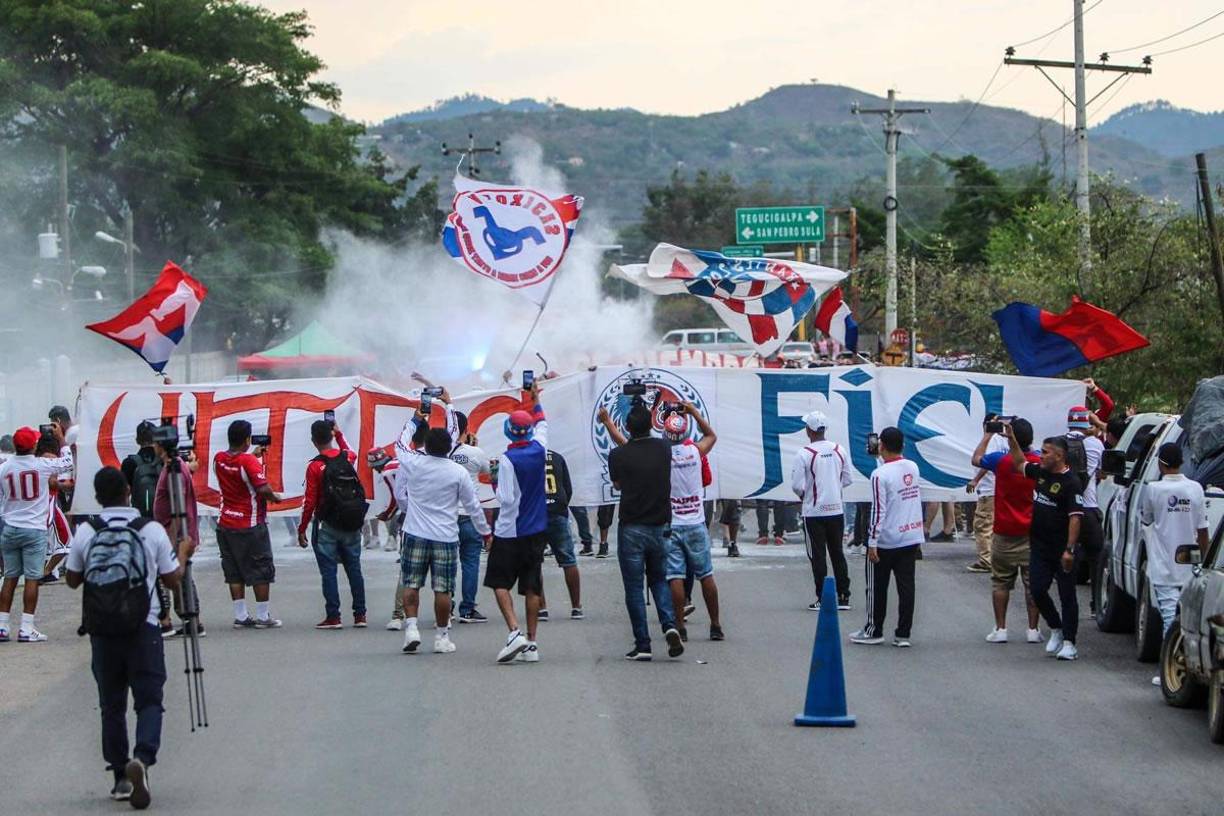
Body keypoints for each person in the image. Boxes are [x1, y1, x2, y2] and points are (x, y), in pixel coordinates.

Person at [65, 466, 192, 809]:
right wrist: (182, 552)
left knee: (111, 704)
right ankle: (143, 758)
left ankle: (120, 776)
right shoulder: (149, 530)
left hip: (102, 631)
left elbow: (73, 579)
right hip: (143, 626)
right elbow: (170, 579)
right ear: (128, 492)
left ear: (98, 496)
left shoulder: (87, 531)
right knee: (149, 700)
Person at [394, 408, 491, 656]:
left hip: (415, 532)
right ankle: (441, 636)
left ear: (425, 445)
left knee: (411, 583)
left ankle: (412, 630)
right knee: (443, 589)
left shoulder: (413, 462)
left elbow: (400, 444)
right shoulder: (458, 472)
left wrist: (415, 420)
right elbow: (473, 506)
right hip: (445, 536)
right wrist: (485, 532)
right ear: (449, 447)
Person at [599, 404, 684, 661]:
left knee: (634, 588)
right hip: (660, 525)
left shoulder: (618, 455)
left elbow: (618, 482)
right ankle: (669, 624)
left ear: (628, 427)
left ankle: (643, 643)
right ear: (651, 425)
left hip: (632, 527)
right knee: (659, 580)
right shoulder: (664, 449)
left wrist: (606, 423)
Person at [485, 390, 551, 663]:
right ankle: (532, 644)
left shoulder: (506, 460)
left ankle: (515, 632)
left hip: (510, 531)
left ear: (509, 432)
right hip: (537, 529)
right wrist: (535, 398)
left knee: (499, 582)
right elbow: (543, 423)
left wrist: (493, 479)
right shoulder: (540, 447)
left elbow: (506, 498)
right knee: (533, 587)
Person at [1140, 442, 1210, 685]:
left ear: (1160, 463)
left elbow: (1147, 518)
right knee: (1190, 619)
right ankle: (1185, 670)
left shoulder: (1153, 489)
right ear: (1182, 462)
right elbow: (1203, 530)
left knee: (1170, 619)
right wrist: (1205, 559)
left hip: (1164, 564)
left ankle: (1171, 671)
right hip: (1191, 565)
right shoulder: (1196, 489)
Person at [1012, 435, 1084, 661]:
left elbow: (1075, 518)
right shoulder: (1041, 473)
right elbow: (1018, 463)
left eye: (1045, 452)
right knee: (1037, 589)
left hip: (1062, 549)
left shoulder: (1071, 482)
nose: (1041, 456)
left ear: (1060, 456)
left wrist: (1069, 550)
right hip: (1040, 546)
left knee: (1067, 595)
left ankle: (1070, 642)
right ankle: (1056, 627)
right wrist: (1011, 437)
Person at [850, 426, 923, 647]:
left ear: (881, 446)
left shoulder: (879, 474)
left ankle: (874, 629)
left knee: (876, 586)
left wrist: (872, 541)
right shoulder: (912, 466)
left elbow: (878, 510)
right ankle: (903, 633)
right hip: (910, 535)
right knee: (906, 586)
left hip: (887, 539)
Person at [0, 425, 73, 642]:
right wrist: (63, 441)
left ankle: (2, 626)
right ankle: (26, 627)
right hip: (34, 529)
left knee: (10, 577)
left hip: (10, 527)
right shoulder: (41, 465)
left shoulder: (4, 468)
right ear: (33, 445)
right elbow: (68, 462)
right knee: (32, 577)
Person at [972, 419, 1043, 644]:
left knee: (1001, 582)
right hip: (1032, 532)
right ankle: (1033, 629)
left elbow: (976, 459)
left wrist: (987, 435)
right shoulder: (1039, 462)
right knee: (1033, 584)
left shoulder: (1000, 461)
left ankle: (1001, 628)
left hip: (1004, 530)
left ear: (1007, 436)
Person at [212, 420, 283, 629]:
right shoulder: (248, 462)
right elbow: (262, 488)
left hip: (225, 522)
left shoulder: (219, 459)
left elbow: (237, 467)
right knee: (261, 567)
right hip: (250, 524)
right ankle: (263, 616)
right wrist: (276, 497)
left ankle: (241, 615)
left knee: (233, 569)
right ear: (247, 439)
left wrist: (252, 456)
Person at [298, 420, 367, 630]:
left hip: (326, 523)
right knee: (354, 568)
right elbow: (351, 451)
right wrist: (339, 434)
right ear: (330, 436)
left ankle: (333, 616)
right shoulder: (346, 457)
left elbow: (309, 501)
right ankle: (360, 615)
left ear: (313, 441)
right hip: (352, 521)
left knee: (328, 571)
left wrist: (302, 529)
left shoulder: (315, 466)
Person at [791, 410, 852, 612]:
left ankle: (822, 597)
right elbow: (847, 478)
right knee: (837, 553)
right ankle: (844, 595)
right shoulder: (839, 449)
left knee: (817, 555)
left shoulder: (804, 454)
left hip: (814, 512)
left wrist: (806, 496)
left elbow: (797, 485)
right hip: (836, 509)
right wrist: (833, 489)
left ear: (809, 430)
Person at [152, 441, 205, 638]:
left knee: (175, 577)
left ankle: (180, 621)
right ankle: (191, 621)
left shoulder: (174, 469)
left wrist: (173, 540)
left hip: (174, 534)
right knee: (180, 577)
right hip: (173, 532)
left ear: (161, 446)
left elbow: (177, 505)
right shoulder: (175, 466)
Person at [450, 410, 492, 625]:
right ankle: (467, 609)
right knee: (470, 562)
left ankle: (445, 606)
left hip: (446, 517)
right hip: (470, 515)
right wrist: (474, 447)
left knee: (446, 563)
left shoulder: (437, 452)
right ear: (466, 430)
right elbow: (489, 471)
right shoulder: (476, 452)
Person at [1065, 405, 1105, 605]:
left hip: (1065, 510)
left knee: (1065, 557)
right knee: (1096, 558)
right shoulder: (1096, 445)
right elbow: (1101, 474)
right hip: (1088, 508)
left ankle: (1067, 603)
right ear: (1086, 423)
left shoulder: (1059, 443)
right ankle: (1095, 604)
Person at [541, 447, 584, 621]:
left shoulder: (525, 456)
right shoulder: (557, 457)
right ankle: (576, 607)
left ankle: (541, 608)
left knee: (535, 562)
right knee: (568, 560)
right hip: (558, 510)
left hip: (536, 513)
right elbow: (568, 487)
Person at [966, 413, 1010, 573]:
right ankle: (994, 558)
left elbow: (986, 461)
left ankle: (986, 560)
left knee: (982, 525)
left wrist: (976, 479)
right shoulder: (1004, 440)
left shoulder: (991, 440)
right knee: (992, 526)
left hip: (989, 489)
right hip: (997, 488)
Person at [122, 422, 163, 519]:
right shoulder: (165, 460)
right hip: (164, 519)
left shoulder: (129, 463)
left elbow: (124, 495)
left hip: (139, 519)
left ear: (137, 440)